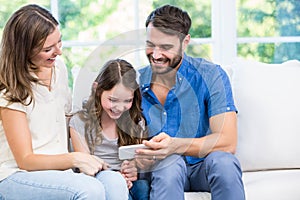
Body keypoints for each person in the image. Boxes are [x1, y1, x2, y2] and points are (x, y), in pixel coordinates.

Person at [0, 4, 127, 200]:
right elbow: (25, 160)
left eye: (59, 42)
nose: (58, 52)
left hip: (61, 172)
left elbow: (69, 121)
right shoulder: (10, 89)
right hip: (16, 174)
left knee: (114, 182)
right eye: (48, 49)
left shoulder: (58, 68)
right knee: (89, 189)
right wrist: (75, 158)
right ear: (24, 51)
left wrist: (87, 157)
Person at [136, 4, 245, 200]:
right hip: (162, 171)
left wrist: (176, 145)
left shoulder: (211, 75)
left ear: (185, 42)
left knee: (224, 162)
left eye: (166, 47)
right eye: (150, 44)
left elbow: (227, 141)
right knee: (169, 165)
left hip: (203, 167)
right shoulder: (134, 83)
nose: (156, 54)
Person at [69, 59, 150, 200]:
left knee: (143, 186)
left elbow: (138, 160)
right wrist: (116, 176)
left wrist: (132, 169)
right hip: (97, 178)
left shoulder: (136, 122)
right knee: (114, 185)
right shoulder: (79, 122)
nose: (120, 108)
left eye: (127, 101)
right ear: (97, 89)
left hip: (128, 183)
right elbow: (85, 166)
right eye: (113, 100)